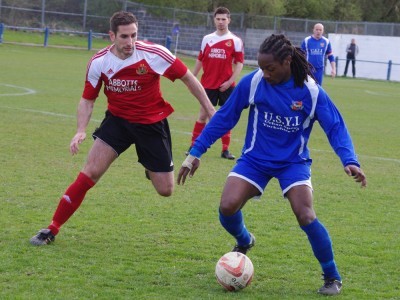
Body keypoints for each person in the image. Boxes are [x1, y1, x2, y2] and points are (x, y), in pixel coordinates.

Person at [178, 34, 367, 295]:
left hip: (293, 162)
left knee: (305, 214)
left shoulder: (310, 91)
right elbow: (225, 117)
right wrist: (195, 152)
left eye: (271, 68)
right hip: (255, 159)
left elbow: (335, 126)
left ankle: (332, 275)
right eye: (262, 67)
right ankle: (244, 240)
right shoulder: (254, 82)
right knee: (227, 206)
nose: (265, 73)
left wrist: (350, 160)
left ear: (287, 61)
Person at [30, 11, 215, 246]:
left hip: (151, 124)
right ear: (112, 36)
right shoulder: (99, 62)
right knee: (90, 172)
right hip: (118, 122)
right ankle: (51, 228)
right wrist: (80, 129)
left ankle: (151, 168)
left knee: (166, 190)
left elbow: (189, 78)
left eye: (134, 35)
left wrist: (210, 110)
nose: (130, 42)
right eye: (125, 37)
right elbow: (87, 100)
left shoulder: (154, 54)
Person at [186, 6, 244, 160]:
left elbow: (239, 64)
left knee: (225, 117)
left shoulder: (235, 41)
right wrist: (191, 77)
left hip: (226, 85)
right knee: (203, 115)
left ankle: (225, 150)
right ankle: (193, 146)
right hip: (208, 84)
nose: (220, 22)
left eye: (223, 19)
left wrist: (230, 81)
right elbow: (200, 59)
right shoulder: (207, 39)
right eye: (218, 19)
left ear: (229, 20)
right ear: (214, 20)